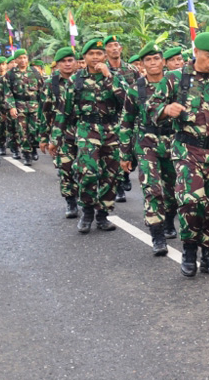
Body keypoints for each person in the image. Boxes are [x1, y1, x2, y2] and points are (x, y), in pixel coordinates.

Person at [148, 32, 209, 277]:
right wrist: (165, 109)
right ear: (196, 52)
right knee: (190, 203)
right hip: (187, 151)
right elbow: (150, 109)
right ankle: (189, 252)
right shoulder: (175, 78)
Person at [48, 38, 135, 234]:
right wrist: (55, 138)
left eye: (98, 54)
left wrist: (109, 77)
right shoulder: (75, 80)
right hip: (87, 129)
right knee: (88, 171)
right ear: (84, 58)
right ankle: (87, 210)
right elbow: (64, 111)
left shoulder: (115, 77)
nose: (95, 57)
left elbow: (127, 102)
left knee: (111, 175)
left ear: (104, 56)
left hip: (112, 129)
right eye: (91, 54)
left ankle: (103, 214)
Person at [122, 44, 178, 255]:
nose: (153, 63)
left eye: (156, 58)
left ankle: (169, 221)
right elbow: (126, 121)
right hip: (147, 144)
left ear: (163, 61)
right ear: (142, 64)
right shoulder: (136, 89)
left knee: (173, 190)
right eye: (148, 60)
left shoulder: (175, 84)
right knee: (152, 189)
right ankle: (157, 235)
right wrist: (125, 153)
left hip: (173, 142)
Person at [39, 47, 81, 218]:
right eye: (63, 61)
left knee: (87, 168)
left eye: (70, 60)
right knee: (66, 168)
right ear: (57, 65)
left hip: (85, 130)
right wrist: (44, 137)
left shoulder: (83, 80)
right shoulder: (51, 83)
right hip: (61, 131)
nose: (67, 64)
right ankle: (71, 201)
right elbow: (45, 112)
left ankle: (89, 201)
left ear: (76, 62)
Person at [103, 35, 139, 202]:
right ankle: (118, 186)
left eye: (117, 45)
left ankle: (125, 174)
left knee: (132, 151)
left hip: (130, 117)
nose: (115, 48)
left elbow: (141, 90)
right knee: (115, 151)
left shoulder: (132, 70)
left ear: (121, 49)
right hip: (111, 118)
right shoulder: (101, 71)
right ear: (106, 51)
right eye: (111, 46)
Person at [4, 49, 45, 166]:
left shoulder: (35, 72)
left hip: (34, 106)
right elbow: (8, 92)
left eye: (25, 57)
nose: (23, 60)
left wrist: (44, 106)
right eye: (20, 58)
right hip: (19, 106)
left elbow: (42, 90)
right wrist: (11, 107)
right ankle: (26, 154)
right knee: (22, 131)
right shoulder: (10, 74)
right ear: (16, 60)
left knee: (35, 130)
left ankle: (34, 148)